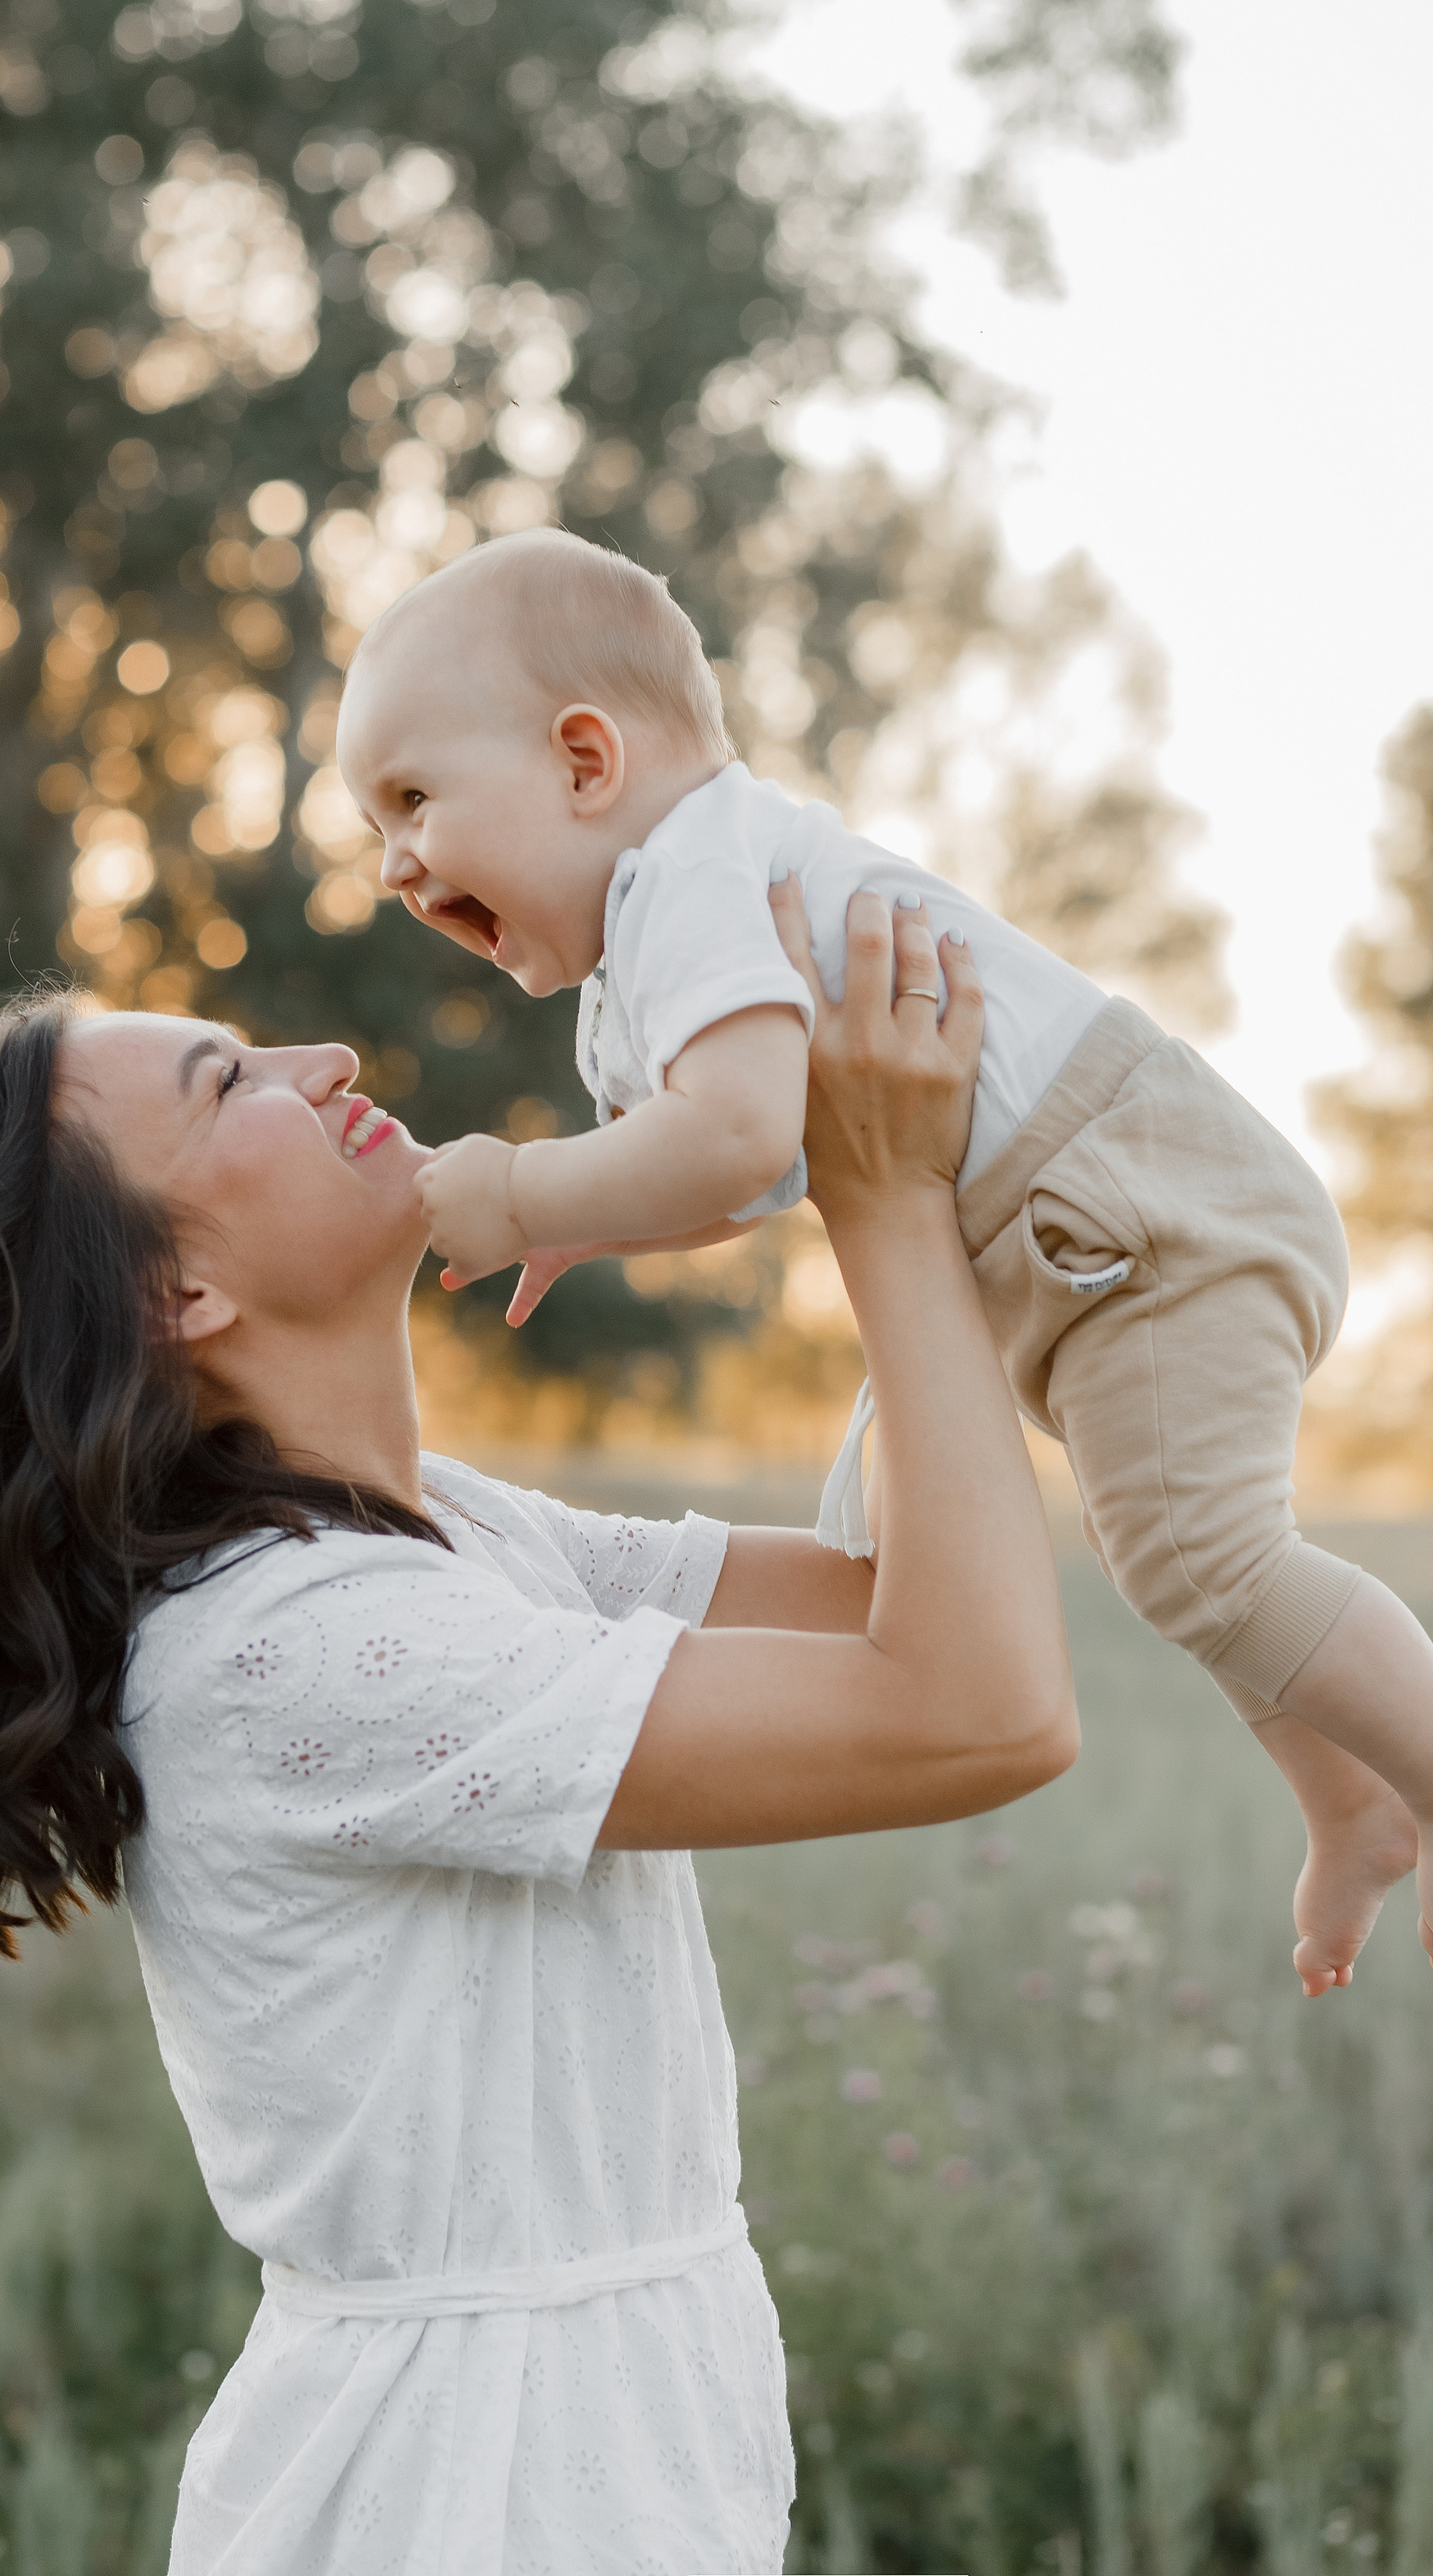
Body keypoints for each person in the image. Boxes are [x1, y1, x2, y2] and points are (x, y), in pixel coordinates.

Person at [0, 890, 1074, 2576]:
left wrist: (884, 1169)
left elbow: (908, 1588)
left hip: (615, 2432)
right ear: (181, 1294)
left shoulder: (440, 1537)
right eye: (228, 1085)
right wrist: (880, 1202)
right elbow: (977, 1707)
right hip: (461, 2496)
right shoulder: (298, 1649)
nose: (327, 1055)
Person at [335, 525, 1433, 2001]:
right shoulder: (649, 939)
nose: (393, 864)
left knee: (1198, 1558)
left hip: (1144, 1196)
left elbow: (728, 1141)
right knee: (1164, 1543)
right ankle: (1352, 1793)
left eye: (410, 802)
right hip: (1063, 1241)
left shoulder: (692, 878)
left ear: (585, 765)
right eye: (372, 828)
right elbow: (746, 1153)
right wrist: (604, 1210)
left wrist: (527, 1192)